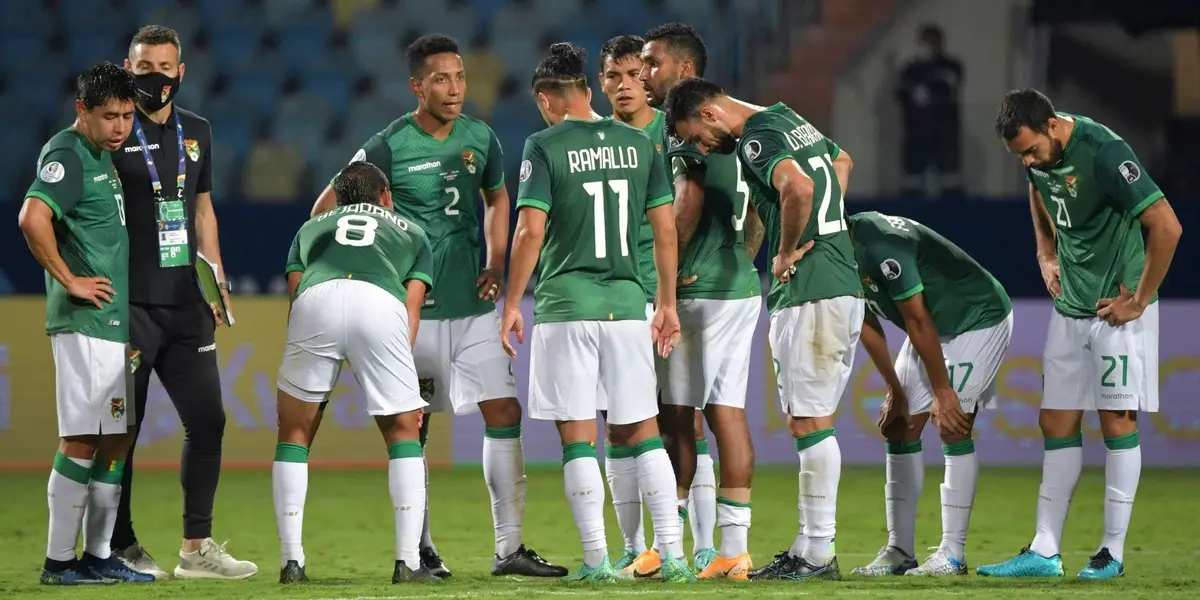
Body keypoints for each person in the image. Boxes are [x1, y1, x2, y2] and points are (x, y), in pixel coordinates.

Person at [310, 34, 564, 579]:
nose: (454, 89)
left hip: (473, 308)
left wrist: (495, 261)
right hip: (412, 314)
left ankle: (509, 549)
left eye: (460, 77)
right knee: (414, 427)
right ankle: (422, 549)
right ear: (416, 86)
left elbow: (498, 197)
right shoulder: (387, 145)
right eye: (441, 79)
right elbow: (326, 208)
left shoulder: (481, 137)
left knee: (504, 412)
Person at [500, 41, 692, 583]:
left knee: (579, 437)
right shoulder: (640, 144)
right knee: (645, 432)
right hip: (629, 306)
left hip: (568, 307)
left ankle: (595, 561)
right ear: (588, 89)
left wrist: (512, 302)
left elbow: (529, 231)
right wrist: (667, 303)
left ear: (546, 98)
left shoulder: (543, 144)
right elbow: (665, 231)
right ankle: (673, 555)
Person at [665, 77, 863, 582]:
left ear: (710, 113)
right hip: (842, 281)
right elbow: (842, 162)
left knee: (809, 423)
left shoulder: (755, 138)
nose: (700, 148)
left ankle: (817, 554)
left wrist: (787, 249)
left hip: (810, 288)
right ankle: (809, 547)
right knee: (812, 419)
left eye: (695, 137)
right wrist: (824, 228)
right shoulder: (788, 117)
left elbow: (798, 186)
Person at [979, 90, 1182, 579]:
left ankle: (1112, 552)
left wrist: (1139, 300)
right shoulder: (1037, 158)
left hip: (1117, 310)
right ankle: (1044, 551)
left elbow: (1167, 226)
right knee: (1055, 421)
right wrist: (1045, 252)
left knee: (1117, 421)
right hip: (1070, 305)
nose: (1028, 162)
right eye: (1019, 156)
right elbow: (1038, 188)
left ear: (1052, 126)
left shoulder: (1104, 152)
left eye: (1031, 150)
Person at [109, 25, 255, 581]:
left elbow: (202, 209)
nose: (155, 78)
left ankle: (196, 549)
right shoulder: (114, 131)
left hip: (187, 302)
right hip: (130, 305)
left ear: (181, 72)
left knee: (208, 420)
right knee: (123, 429)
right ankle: (119, 544)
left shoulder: (198, 130)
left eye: (164, 68)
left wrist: (216, 276)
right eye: (144, 68)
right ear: (129, 70)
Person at [19, 62, 154, 585]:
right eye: (109, 116)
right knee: (81, 437)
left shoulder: (101, 155)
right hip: (84, 323)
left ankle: (98, 555)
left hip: (111, 323)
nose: (120, 127)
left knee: (117, 436)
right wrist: (70, 279)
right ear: (82, 110)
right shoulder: (68, 155)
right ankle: (59, 562)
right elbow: (32, 216)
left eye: (127, 116)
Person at [641, 23, 765, 580]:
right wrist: (745, 258)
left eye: (653, 63)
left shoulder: (686, 135)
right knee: (727, 414)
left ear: (684, 70)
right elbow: (758, 209)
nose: (646, 74)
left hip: (697, 294)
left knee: (676, 419)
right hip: (740, 288)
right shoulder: (746, 128)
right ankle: (733, 551)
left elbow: (685, 207)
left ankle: (667, 547)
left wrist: (666, 285)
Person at [275, 161, 435, 584]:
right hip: (379, 302)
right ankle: (408, 563)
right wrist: (402, 386)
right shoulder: (412, 232)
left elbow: (297, 296)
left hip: (315, 301)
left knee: (294, 432)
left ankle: (292, 563)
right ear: (385, 197)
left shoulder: (309, 229)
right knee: (403, 432)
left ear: (338, 198)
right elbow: (411, 309)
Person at [845, 211, 1013, 577]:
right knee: (898, 426)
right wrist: (895, 389)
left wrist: (942, 390)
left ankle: (953, 554)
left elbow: (917, 319)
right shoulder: (832, 254)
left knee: (952, 424)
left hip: (976, 318)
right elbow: (864, 322)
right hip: (932, 324)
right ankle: (899, 550)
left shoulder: (882, 245)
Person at [895, 23, 964, 198]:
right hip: (916, 132)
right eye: (925, 42)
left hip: (944, 131)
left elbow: (949, 86)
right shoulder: (911, 69)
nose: (928, 46)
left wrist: (927, 86)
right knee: (912, 182)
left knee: (950, 181)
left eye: (932, 42)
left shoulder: (951, 66)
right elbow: (900, 94)